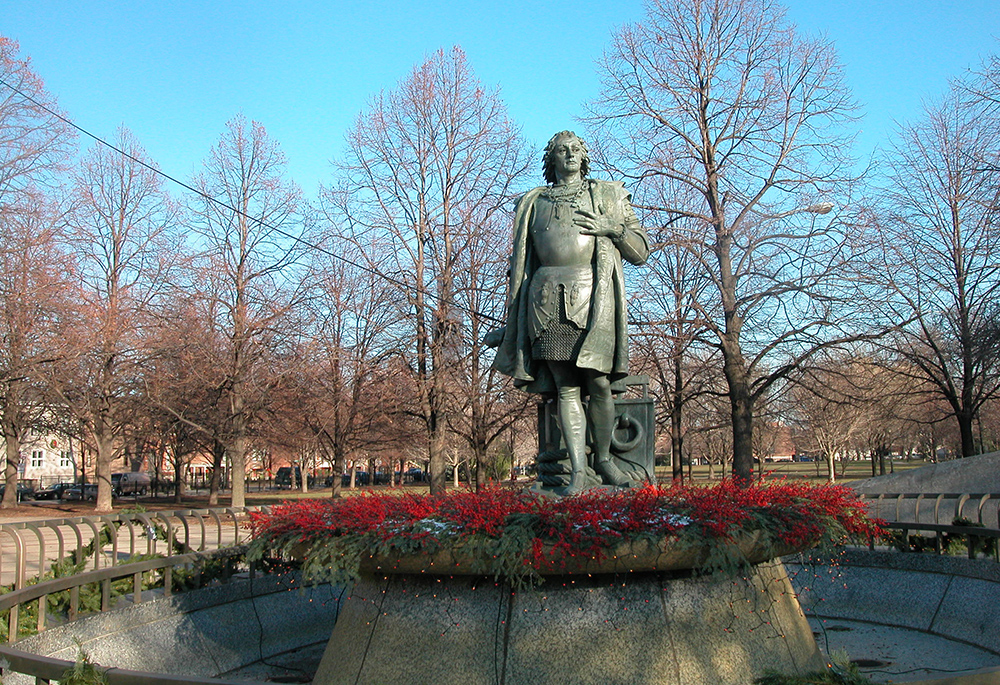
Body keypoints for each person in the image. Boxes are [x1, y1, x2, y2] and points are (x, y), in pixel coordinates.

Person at [492, 131, 649, 492]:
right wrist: (509, 325)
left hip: (594, 302)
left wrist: (613, 229)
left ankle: (605, 460)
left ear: (585, 155)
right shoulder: (532, 203)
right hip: (545, 302)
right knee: (565, 388)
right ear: (551, 158)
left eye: (575, 149)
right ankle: (579, 472)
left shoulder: (608, 195)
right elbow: (519, 268)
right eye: (561, 150)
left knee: (598, 383)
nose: (569, 154)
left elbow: (640, 251)